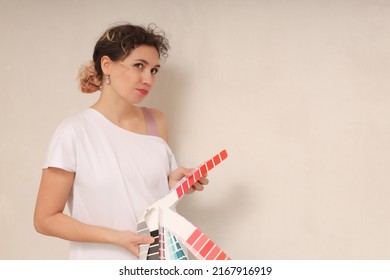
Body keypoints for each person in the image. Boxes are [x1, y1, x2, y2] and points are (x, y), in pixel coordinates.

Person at [33, 23, 208, 260]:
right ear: (107, 65)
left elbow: (141, 192)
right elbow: (45, 219)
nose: (148, 79)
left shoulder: (156, 121)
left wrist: (172, 184)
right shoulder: (74, 132)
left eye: (154, 70)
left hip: (163, 261)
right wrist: (116, 237)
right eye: (139, 66)